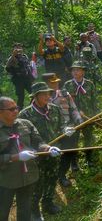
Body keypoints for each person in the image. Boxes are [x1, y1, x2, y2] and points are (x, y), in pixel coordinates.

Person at [0, 96, 58, 221]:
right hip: (5, 180)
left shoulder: (25, 124)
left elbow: (38, 142)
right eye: (11, 109)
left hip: (28, 176)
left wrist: (48, 148)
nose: (16, 111)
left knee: (25, 209)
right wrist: (16, 157)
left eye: (16, 108)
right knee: (2, 211)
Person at [19, 83, 66, 219]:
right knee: (37, 183)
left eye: (48, 93)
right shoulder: (25, 114)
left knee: (52, 178)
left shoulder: (55, 109)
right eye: (44, 94)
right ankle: (34, 209)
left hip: (54, 152)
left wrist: (66, 129)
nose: (47, 96)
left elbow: (62, 124)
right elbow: (22, 138)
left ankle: (48, 202)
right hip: (36, 156)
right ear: (35, 96)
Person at [42, 73, 82, 187]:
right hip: (53, 133)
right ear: (46, 84)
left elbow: (73, 109)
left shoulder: (64, 94)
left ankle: (65, 171)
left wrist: (78, 120)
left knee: (69, 151)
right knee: (57, 155)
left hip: (68, 128)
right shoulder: (42, 99)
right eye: (52, 83)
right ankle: (57, 176)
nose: (56, 84)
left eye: (57, 82)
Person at [63, 61, 97, 167]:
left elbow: (95, 101)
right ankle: (74, 163)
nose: (75, 72)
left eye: (77, 70)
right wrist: (76, 112)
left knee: (88, 138)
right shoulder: (67, 85)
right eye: (73, 70)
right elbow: (65, 103)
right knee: (74, 140)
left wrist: (97, 114)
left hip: (88, 117)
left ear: (83, 72)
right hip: (74, 119)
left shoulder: (90, 84)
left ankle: (89, 158)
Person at [5, 43, 34, 109]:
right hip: (18, 80)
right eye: (16, 47)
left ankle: (30, 107)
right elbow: (7, 66)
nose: (18, 49)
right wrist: (13, 55)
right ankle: (19, 111)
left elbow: (28, 67)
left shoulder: (24, 56)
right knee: (21, 97)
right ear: (13, 49)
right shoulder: (12, 58)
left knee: (34, 94)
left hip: (27, 79)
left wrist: (31, 78)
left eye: (20, 47)